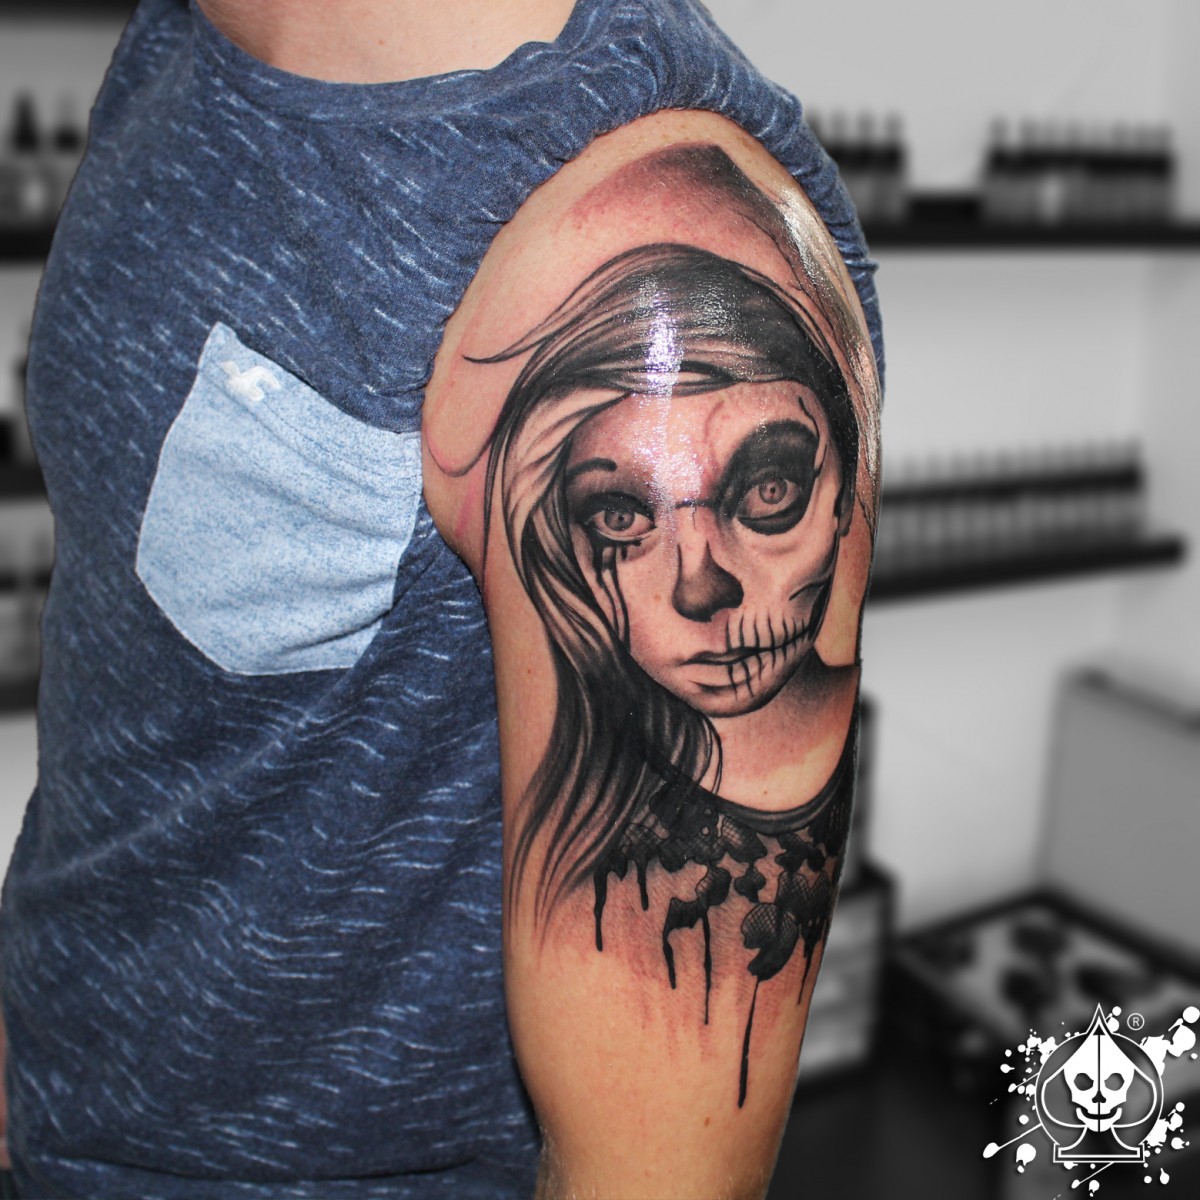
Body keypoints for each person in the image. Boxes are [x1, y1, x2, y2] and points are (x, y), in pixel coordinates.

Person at [0, 1, 882, 1196]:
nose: (702, 579)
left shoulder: (639, 254)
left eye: (768, 493)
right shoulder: (183, 36)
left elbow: (657, 1179)